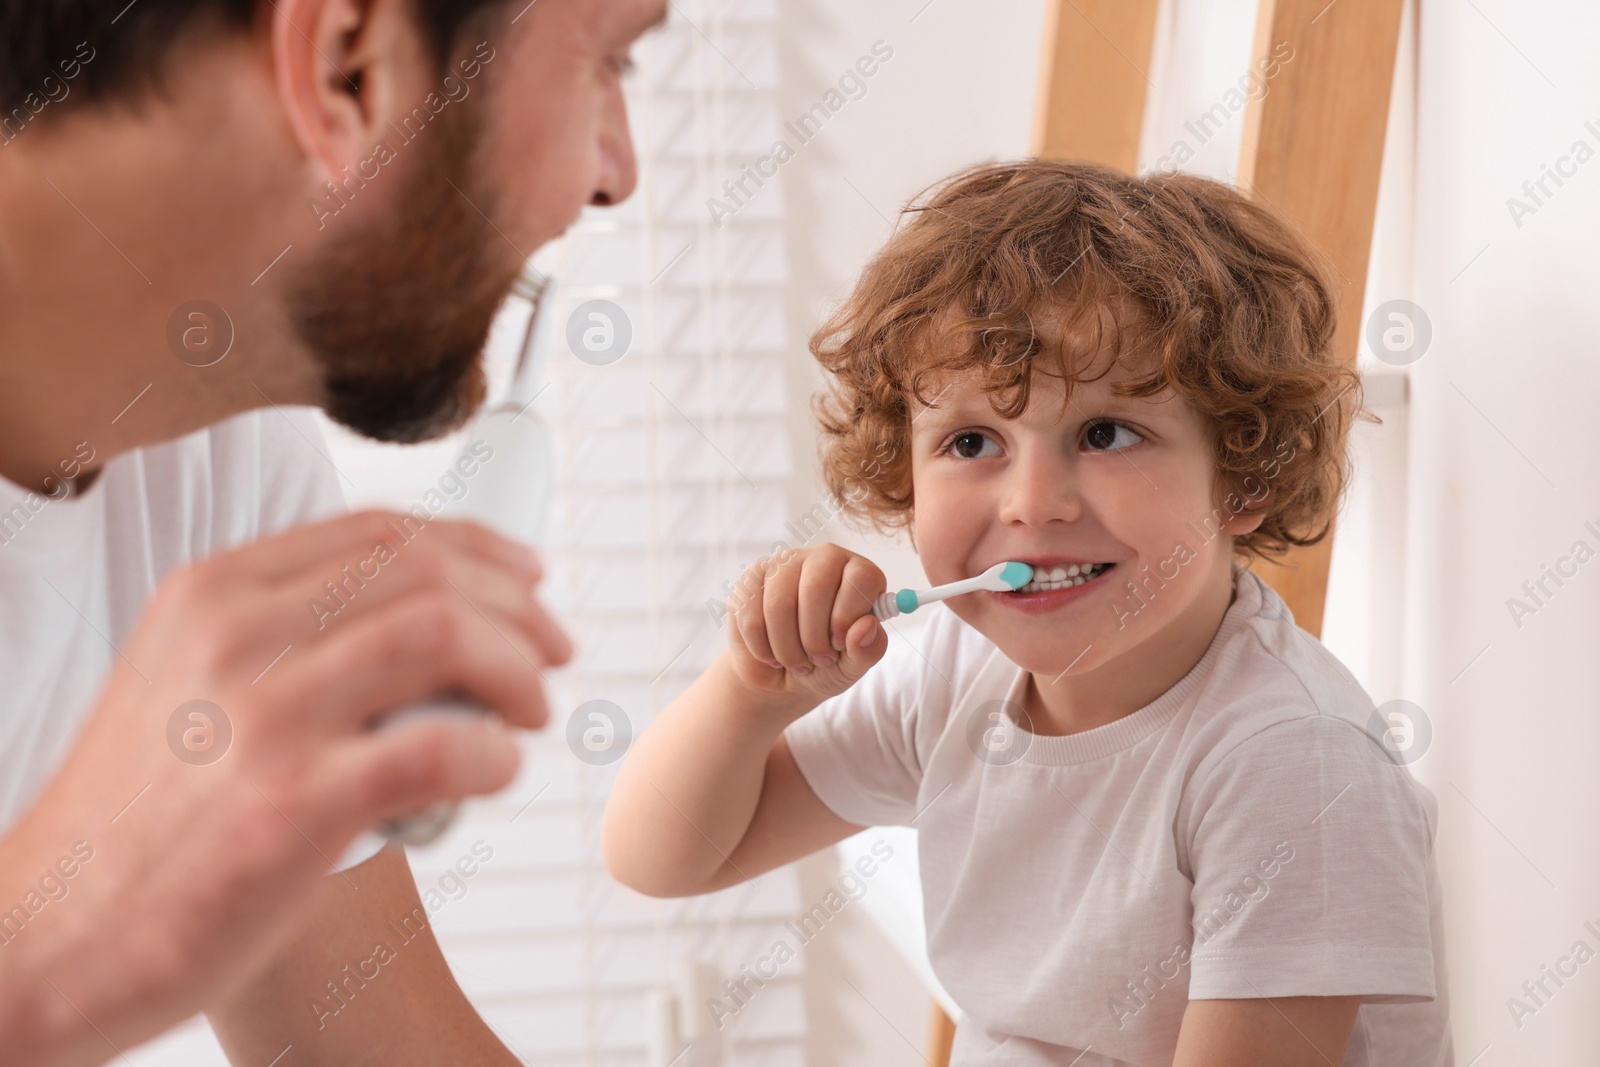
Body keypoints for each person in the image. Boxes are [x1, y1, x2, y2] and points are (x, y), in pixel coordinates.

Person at [602, 159, 1452, 1065]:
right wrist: (750, 694)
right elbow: (663, 858)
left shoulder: (1291, 765)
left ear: (1242, 477)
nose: (1032, 502)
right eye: (973, 442)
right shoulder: (953, 675)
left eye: (1107, 432)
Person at [0, 0, 666, 1063]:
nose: (614, 173)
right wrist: (48, 955)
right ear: (347, 68)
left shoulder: (217, 458)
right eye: (608, 62)